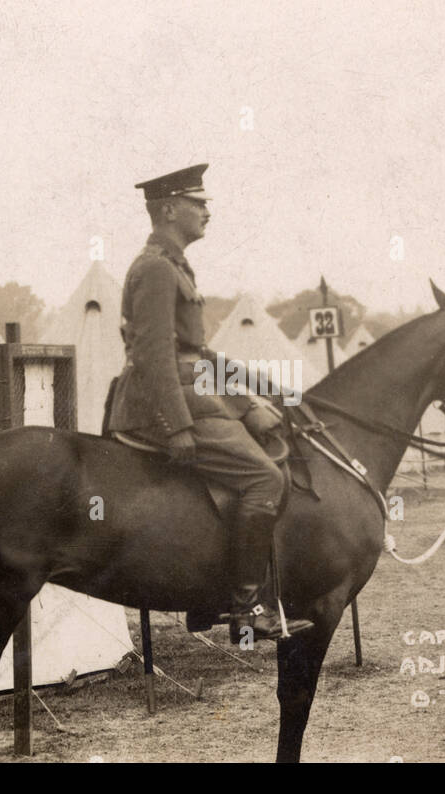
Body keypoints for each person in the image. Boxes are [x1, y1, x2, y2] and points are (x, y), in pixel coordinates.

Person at [106, 164, 312, 643]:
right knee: (264, 477)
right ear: (170, 209)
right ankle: (245, 608)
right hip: (165, 401)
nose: (207, 213)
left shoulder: (173, 264)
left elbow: (198, 355)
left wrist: (262, 394)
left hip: (190, 389)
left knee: (268, 440)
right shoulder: (157, 268)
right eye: (199, 204)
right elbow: (154, 355)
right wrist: (176, 426)